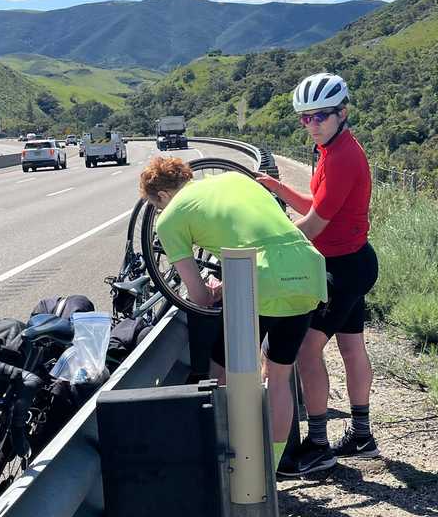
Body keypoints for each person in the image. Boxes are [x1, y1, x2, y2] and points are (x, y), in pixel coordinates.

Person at [138, 157, 328, 472]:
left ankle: (234, 465)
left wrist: (214, 288)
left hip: (258, 283)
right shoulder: (236, 180)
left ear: (160, 196)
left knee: (220, 373)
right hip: (307, 269)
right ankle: (272, 466)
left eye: (156, 205)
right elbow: (262, 240)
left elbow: (198, 296)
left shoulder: (169, 218)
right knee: (279, 377)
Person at [255, 72, 379, 477]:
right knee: (351, 347)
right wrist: (278, 187)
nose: (312, 125)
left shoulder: (342, 157)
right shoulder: (332, 149)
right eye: (305, 118)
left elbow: (312, 226)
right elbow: (317, 202)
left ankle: (319, 445)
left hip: (340, 268)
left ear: (343, 113)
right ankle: (361, 436)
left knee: (308, 350)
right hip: (353, 261)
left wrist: (269, 248)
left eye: (321, 116)